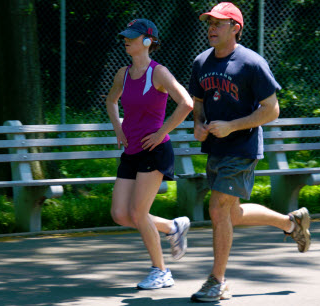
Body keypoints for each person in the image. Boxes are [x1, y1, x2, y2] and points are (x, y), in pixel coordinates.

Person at [188, 2, 311, 302]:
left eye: (219, 23)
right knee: (231, 214)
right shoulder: (201, 62)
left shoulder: (252, 64)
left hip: (242, 148)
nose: (211, 28)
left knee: (217, 209)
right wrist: (199, 123)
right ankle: (291, 223)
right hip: (215, 148)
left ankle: (217, 281)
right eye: (209, 23)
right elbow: (198, 102)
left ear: (235, 28)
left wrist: (232, 126)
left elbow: (272, 110)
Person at [106, 19, 194, 290]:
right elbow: (111, 101)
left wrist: (161, 132)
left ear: (147, 41)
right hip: (131, 150)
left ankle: (161, 272)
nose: (126, 40)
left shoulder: (159, 73)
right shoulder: (123, 73)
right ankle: (172, 227)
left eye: (132, 37)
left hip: (155, 151)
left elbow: (187, 103)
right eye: (125, 36)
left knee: (138, 212)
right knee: (121, 214)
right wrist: (118, 128)